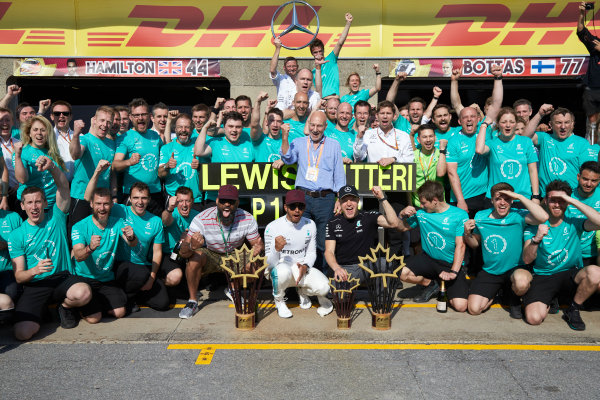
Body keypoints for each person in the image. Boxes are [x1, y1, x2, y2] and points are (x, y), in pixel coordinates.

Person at [9, 157, 92, 340]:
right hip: (36, 284)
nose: (34, 206)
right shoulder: (17, 235)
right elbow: (19, 275)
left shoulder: (56, 217)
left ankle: (65, 307)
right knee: (22, 334)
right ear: (22, 206)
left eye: (38, 202)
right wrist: (35, 270)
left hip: (62, 277)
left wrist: (52, 167)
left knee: (83, 293)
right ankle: (43, 311)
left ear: (45, 203)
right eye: (29, 203)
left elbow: (63, 187)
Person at [522, 180, 600, 331]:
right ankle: (551, 299)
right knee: (533, 319)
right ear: (546, 200)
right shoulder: (534, 225)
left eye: (562, 201)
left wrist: (571, 200)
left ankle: (573, 309)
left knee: (596, 272)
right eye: (553, 200)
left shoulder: (573, 221)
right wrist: (536, 240)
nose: (557, 205)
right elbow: (527, 259)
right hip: (544, 276)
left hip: (570, 273)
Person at [464, 183, 549, 318]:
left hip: (515, 269)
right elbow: (474, 244)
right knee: (474, 309)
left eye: (507, 199)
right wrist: (467, 234)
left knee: (521, 282)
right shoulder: (481, 216)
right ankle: (497, 294)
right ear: (491, 200)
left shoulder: (518, 215)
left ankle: (514, 299)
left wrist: (519, 196)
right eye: (498, 199)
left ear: (512, 200)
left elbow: (543, 217)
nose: (503, 203)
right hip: (491, 270)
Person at [178, 185, 263, 319]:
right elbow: (183, 253)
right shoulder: (202, 218)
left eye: (231, 201)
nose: (227, 205)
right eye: (223, 201)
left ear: (237, 203)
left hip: (234, 253)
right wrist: (192, 246)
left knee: (255, 264)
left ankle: (233, 290)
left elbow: (257, 243)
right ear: (217, 201)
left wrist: (258, 248)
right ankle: (192, 301)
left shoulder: (247, 218)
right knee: (194, 259)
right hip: (211, 253)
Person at [280, 111, 346, 271]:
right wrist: (284, 137)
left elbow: (339, 174)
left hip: (326, 199)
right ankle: (299, 281)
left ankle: (323, 281)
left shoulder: (334, 145)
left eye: (319, 126)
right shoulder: (298, 142)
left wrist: (340, 199)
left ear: (325, 127)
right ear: (308, 126)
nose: (315, 129)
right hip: (303, 199)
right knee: (300, 240)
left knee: (324, 242)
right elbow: (287, 158)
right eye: (312, 125)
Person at [397, 180, 469, 311]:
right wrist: (401, 214)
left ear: (435, 200)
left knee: (460, 306)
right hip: (428, 259)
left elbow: (461, 246)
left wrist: (453, 272)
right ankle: (431, 284)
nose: (421, 205)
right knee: (402, 273)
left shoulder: (459, 215)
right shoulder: (422, 213)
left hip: (450, 263)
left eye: (424, 202)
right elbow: (402, 227)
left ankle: (451, 284)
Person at [264, 189, 333, 318]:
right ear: (285, 207)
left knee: (325, 287)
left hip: (301, 268)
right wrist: (276, 249)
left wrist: (305, 266)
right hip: (281, 269)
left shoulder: (310, 224)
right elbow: (269, 264)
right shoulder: (272, 227)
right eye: (292, 206)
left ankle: (302, 290)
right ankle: (279, 301)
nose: (297, 210)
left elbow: (312, 252)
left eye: (300, 206)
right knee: (281, 272)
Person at [71, 187, 132, 323]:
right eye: (98, 204)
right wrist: (90, 248)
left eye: (105, 204)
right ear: (92, 204)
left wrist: (132, 237)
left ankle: (96, 304)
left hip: (106, 279)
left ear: (111, 204)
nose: (102, 208)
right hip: (84, 278)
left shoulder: (118, 222)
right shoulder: (79, 226)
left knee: (120, 312)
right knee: (94, 319)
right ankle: (77, 307)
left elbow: (131, 243)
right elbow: (79, 256)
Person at [112, 182, 169, 312]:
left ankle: (136, 295)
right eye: (136, 198)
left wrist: (152, 277)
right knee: (141, 274)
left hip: (142, 266)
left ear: (149, 200)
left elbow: (157, 253)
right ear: (130, 199)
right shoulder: (119, 210)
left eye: (143, 198)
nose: (140, 202)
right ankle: (125, 298)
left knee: (163, 303)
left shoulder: (155, 221)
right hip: (121, 265)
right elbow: (94, 202)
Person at [325, 185, 399, 282]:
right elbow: (329, 252)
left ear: (358, 201)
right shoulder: (332, 222)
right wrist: (337, 268)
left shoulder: (368, 216)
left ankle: (379, 296)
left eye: (352, 199)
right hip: (345, 269)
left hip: (368, 266)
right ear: (339, 202)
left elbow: (394, 223)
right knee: (338, 293)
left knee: (386, 264)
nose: (349, 204)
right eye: (345, 200)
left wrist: (382, 198)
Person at [523, 106, 596, 195]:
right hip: (546, 197)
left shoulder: (582, 143)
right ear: (550, 124)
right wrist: (539, 114)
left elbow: (587, 172)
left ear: (572, 124)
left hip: (571, 197)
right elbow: (524, 138)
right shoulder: (544, 138)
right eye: (558, 123)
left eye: (567, 122)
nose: (563, 126)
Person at [475, 107, 540, 207]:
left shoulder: (526, 142)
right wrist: (484, 125)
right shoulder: (493, 143)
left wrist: (535, 196)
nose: (508, 125)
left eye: (511, 122)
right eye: (504, 122)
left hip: (521, 198)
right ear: (498, 124)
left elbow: (533, 170)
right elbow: (479, 150)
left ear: (516, 123)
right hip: (497, 198)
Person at [69, 106, 117, 232]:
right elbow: (75, 154)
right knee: (77, 239)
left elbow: (111, 173)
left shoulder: (111, 144)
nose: (105, 125)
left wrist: (114, 195)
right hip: (81, 197)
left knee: (99, 237)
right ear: (94, 120)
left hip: (102, 201)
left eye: (108, 122)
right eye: (102, 120)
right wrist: (75, 134)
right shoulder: (85, 139)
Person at [113, 98, 164, 215]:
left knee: (156, 229)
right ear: (130, 117)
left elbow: (163, 158)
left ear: (149, 116)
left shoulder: (155, 136)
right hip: (134, 195)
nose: (140, 118)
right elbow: (115, 165)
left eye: (143, 114)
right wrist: (129, 162)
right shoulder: (125, 137)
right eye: (136, 115)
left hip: (155, 193)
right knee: (131, 231)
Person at [194, 112, 254, 204]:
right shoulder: (216, 142)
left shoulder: (249, 146)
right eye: (230, 126)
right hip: (216, 199)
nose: (234, 130)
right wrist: (205, 128)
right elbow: (198, 151)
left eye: (238, 127)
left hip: (242, 201)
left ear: (242, 128)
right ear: (224, 127)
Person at [13, 115, 66, 211]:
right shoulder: (22, 151)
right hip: (31, 207)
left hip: (53, 205)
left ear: (48, 133)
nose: (39, 133)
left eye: (43, 130)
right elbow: (22, 179)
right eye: (35, 130)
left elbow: (61, 178)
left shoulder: (53, 150)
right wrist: (17, 156)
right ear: (29, 133)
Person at [158, 113, 202, 209]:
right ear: (175, 129)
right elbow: (159, 174)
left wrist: (199, 167)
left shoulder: (199, 147)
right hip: (174, 200)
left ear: (192, 129)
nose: (183, 130)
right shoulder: (166, 148)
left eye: (187, 127)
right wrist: (167, 166)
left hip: (195, 200)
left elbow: (209, 173)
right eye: (180, 127)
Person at [160, 186, 199, 290]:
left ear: (193, 201)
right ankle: (160, 283)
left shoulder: (197, 216)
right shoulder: (173, 214)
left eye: (187, 201)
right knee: (175, 277)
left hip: (189, 252)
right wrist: (169, 209)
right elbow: (165, 221)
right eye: (181, 201)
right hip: (171, 254)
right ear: (176, 202)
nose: (184, 205)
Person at [353, 100, 414, 166]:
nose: (385, 116)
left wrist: (394, 159)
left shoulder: (404, 136)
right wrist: (359, 138)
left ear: (394, 116)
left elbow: (410, 160)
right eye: (382, 113)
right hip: (374, 176)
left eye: (388, 113)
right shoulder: (368, 134)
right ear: (377, 115)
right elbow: (359, 157)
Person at [310, 13, 353, 98]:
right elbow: (318, 91)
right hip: (323, 102)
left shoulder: (331, 58)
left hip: (334, 99)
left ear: (323, 50)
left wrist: (348, 23)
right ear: (312, 54)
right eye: (315, 52)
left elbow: (340, 42)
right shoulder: (314, 71)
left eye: (320, 51)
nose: (318, 54)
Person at [568, 162, 600, 266]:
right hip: (568, 254)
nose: (589, 184)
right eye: (585, 179)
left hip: (593, 254)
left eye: (594, 180)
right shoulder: (567, 196)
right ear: (578, 177)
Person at [577, 1, 600, 141]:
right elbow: (581, 31)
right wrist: (581, 14)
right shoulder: (596, 44)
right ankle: (591, 156)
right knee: (592, 127)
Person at [410, 124, 447, 207]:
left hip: (438, 204)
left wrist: (442, 150)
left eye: (431, 136)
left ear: (435, 138)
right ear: (418, 139)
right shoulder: (413, 156)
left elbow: (441, 173)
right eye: (424, 137)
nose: (428, 140)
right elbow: (408, 184)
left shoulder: (441, 154)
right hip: (419, 204)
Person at [0, 206, 22, 325]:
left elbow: (25, 243)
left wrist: (7, 245)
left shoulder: (13, 217)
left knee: (11, 293)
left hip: (8, 270)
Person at [250, 94, 287, 163]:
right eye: (272, 121)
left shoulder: (287, 141)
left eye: (278, 121)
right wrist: (258, 102)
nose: (275, 125)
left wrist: (284, 160)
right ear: (267, 122)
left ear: (282, 124)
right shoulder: (260, 140)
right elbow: (254, 124)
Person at [0, 107, 22, 211]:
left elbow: (28, 167)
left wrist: (20, 184)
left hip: (18, 191)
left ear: (13, 122)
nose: (4, 123)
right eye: (1, 120)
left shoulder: (21, 144)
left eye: (7, 120)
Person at [270, 36, 299, 110]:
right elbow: (272, 70)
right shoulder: (280, 79)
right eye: (289, 66)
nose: (292, 68)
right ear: (284, 68)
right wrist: (277, 48)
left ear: (297, 67)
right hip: (281, 114)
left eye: (294, 66)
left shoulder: (302, 81)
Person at [49, 100, 76, 181]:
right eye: (57, 113)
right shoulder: (47, 136)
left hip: (75, 186)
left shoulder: (79, 136)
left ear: (71, 116)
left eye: (65, 113)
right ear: (52, 116)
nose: (61, 116)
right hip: (55, 185)